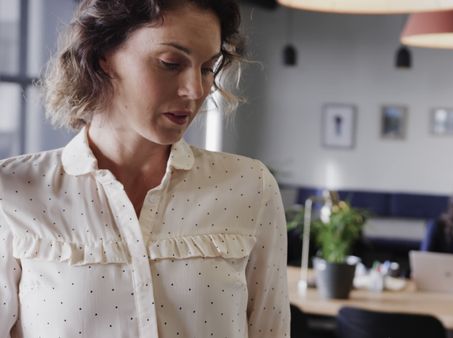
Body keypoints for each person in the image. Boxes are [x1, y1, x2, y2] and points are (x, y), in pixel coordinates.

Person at [0, 1, 290, 337]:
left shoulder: (249, 187)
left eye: (208, 67)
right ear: (103, 56)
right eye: (171, 63)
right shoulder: (13, 193)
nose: (195, 90)